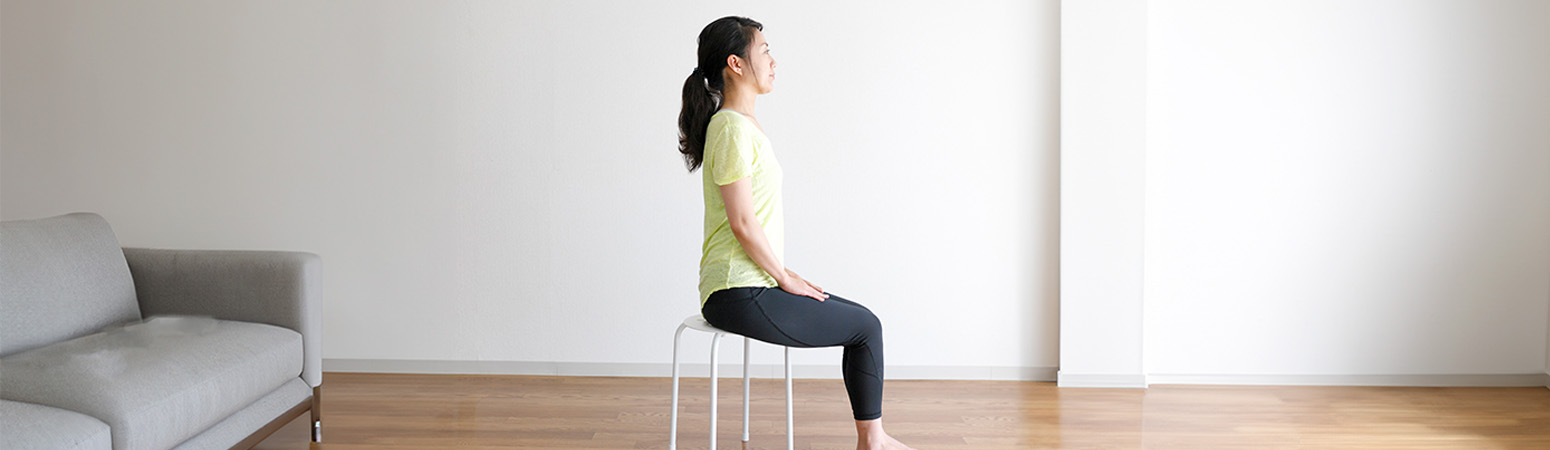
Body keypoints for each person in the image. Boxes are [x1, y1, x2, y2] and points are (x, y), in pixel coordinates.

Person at [676, 16, 917, 450]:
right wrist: (785, 278)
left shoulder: (741, 126)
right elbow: (742, 223)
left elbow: (750, 225)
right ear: (736, 63)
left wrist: (785, 274)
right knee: (865, 328)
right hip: (737, 292)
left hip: (752, 284)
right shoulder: (729, 128)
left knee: (865, 323)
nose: (773, 60)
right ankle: (873, 442)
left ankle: (873, 440)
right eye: (764, 50)